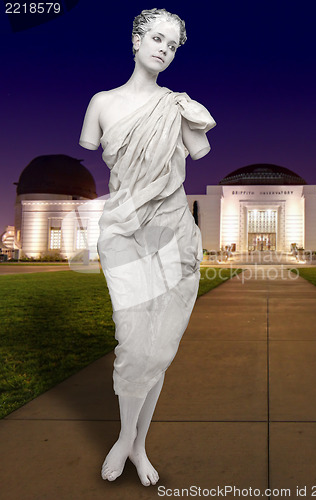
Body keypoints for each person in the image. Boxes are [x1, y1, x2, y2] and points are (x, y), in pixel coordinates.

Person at [79, 8, 215, 487]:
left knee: (157, 346)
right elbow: (95, 146)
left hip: (172, 231)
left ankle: (136, 444)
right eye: (156, 38)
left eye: (172, 45)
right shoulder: (101, 104)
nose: (163, 49)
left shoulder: (178, 108)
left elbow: (197, 153)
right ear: (135, 41)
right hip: (124, 231)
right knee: (133, 340)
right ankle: (125, 439)